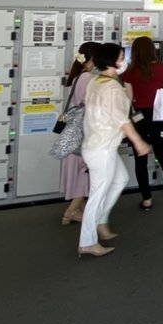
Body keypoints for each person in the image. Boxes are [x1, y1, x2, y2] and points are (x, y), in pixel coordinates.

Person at [78, 43, 151, 258]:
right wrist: (139, 142)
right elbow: (122, 120)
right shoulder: (112, 87)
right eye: (121, 56)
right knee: (97, 194)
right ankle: (87, 242)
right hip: (101, 148)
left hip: (97, 145)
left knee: (120, 179)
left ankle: (101, 222)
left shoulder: (96, 81)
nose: (123, 60)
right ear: (113, 60)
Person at [122, 36, 163, 209]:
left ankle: (147, 199)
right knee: (162, 153)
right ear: (152, 50)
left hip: (139, 116)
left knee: (140, 159)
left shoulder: (130, 72)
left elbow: (129, 99)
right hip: (160, 115)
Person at [59, 41, 100, 225]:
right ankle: (72, 211)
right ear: (92, 58)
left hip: (74, 129)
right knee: (85, 171)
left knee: (80, 169)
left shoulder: (78, 76)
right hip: (82, 131)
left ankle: (77, 208)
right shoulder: (87, 78)